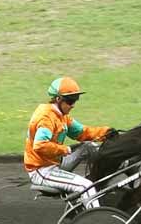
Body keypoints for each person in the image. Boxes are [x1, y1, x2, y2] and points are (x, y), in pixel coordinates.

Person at [24, 77, 115, 209]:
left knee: (88, 146)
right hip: (42, 171)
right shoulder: (46, 118)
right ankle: (95, 215)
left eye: (75, 100)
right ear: (58, 99)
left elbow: (82, 133)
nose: (73, 105)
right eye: (70, 100)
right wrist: (64, 149)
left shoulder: (62, 115)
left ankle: (102, 180)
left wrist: (105, 132)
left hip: (57, 163)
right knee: (85, 185)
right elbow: (40, 145)